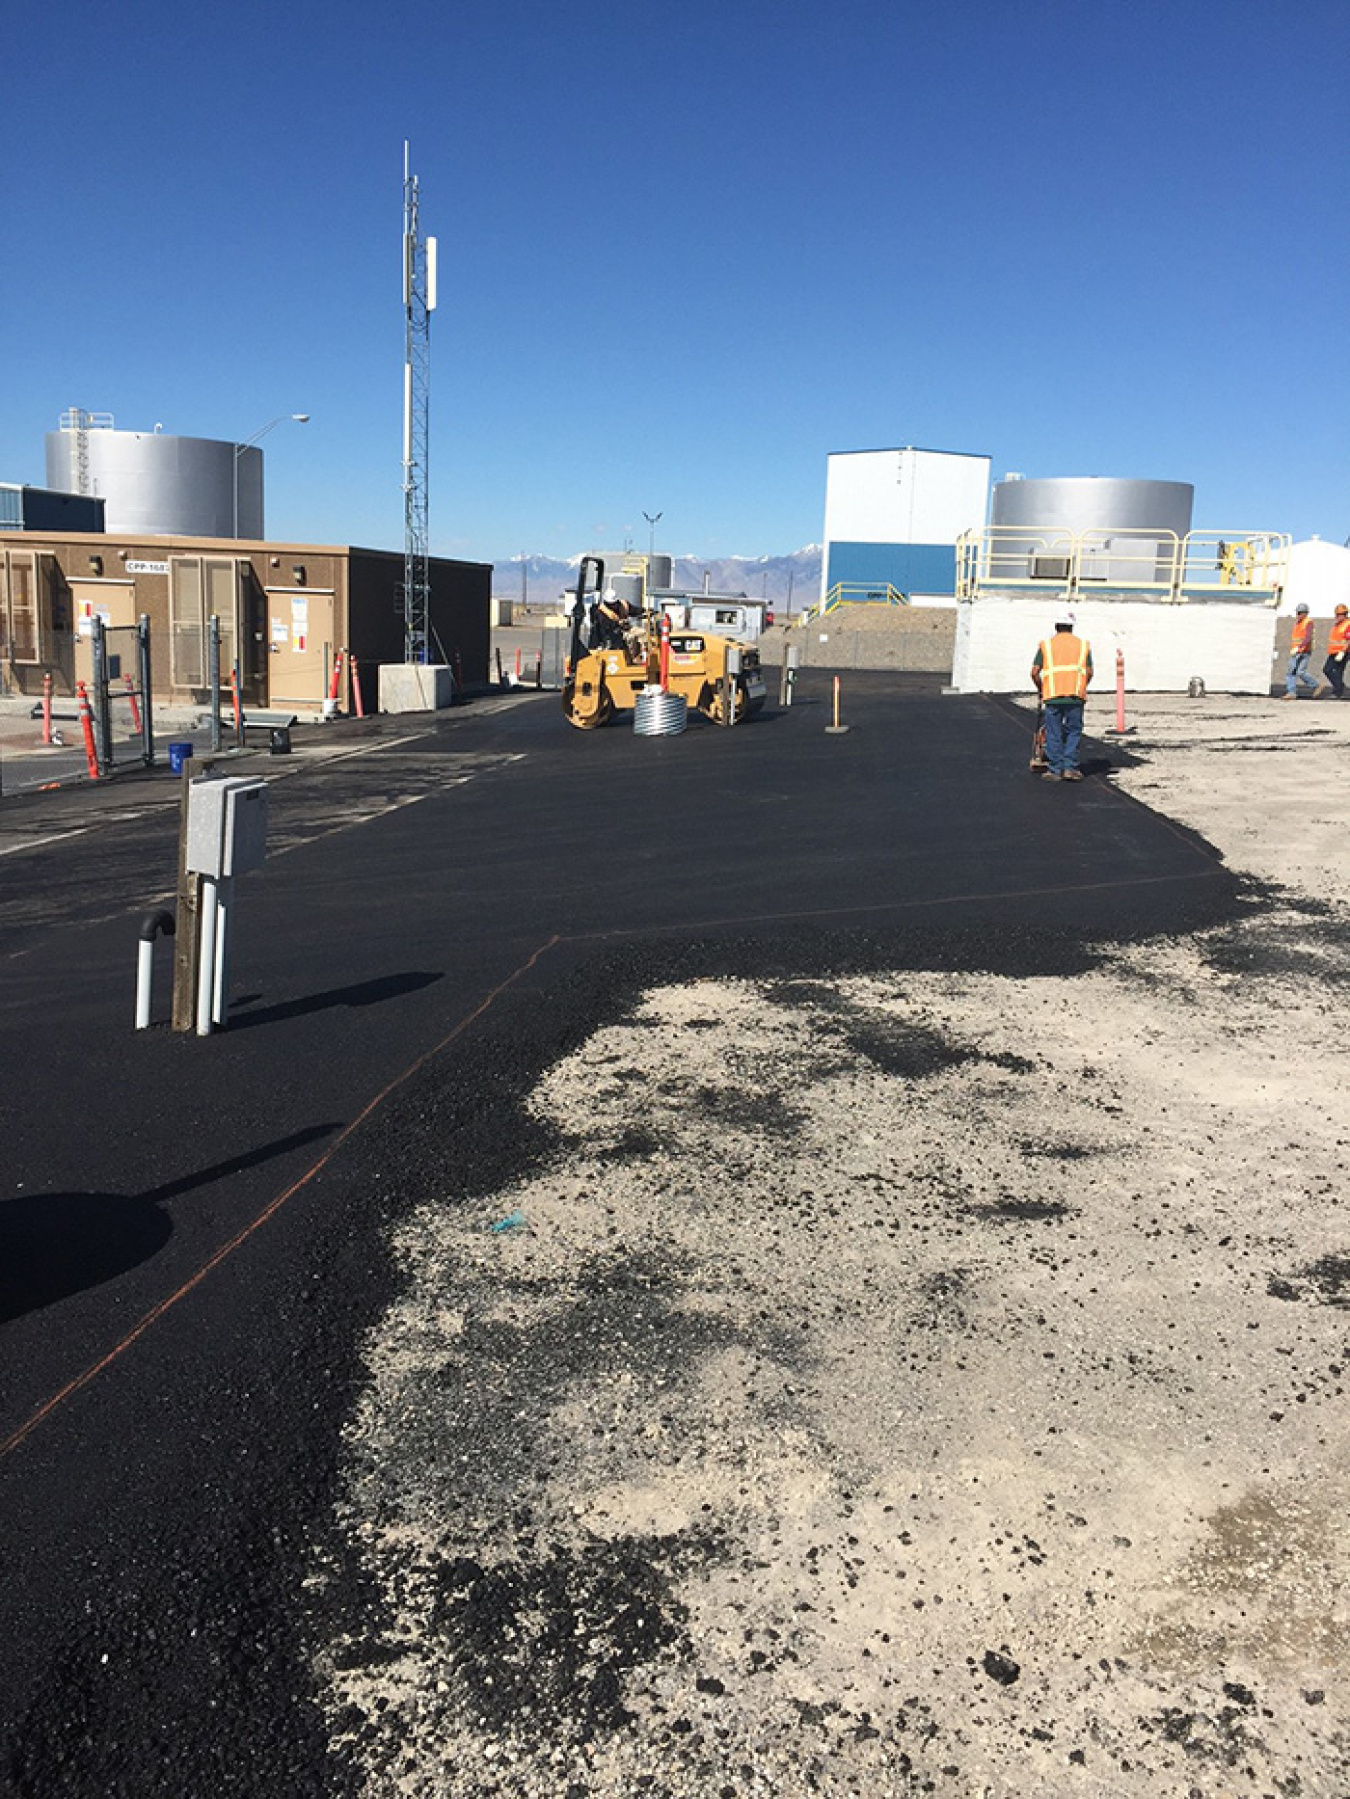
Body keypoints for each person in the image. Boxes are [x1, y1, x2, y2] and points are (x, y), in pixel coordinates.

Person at [1031, 612, 1093, 782]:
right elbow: (1089, 672)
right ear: (1071, 627)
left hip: (1052, 695)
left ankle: (1055, 769)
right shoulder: (1082, 645)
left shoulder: (1046, 646)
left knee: (1053, 732)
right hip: (1075, 695)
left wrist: (1041, 688)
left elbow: (1034, 672)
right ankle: (1070, 768)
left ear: (1056, 626)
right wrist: (1081, 686)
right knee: (1073, 731)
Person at [1284, 603, 1319, 699]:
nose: (1297, 615)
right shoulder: (1298, 623)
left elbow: (1308, 637)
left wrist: (1299, 648)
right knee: (1296, 672)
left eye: (1299, 613)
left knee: (1294, 672)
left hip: (1302, 651)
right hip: (1298, 651)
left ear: (1305, 613)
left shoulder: (1308, 622)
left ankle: (1293, 692)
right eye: (1297, 613)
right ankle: (1294, 692)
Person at [1322, 603, 1350, 698]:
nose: (1336, 616)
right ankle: (1340, 688)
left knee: (1337, 672)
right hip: (1334, 652)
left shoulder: (1347, 624)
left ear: (1344, 614)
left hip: (1343, 652)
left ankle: (1338, 692)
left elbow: (1348, 640)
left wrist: (1343, 652)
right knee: (1327, 670)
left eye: (1339, 614)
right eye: (1336, 614)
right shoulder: (1337, 625)